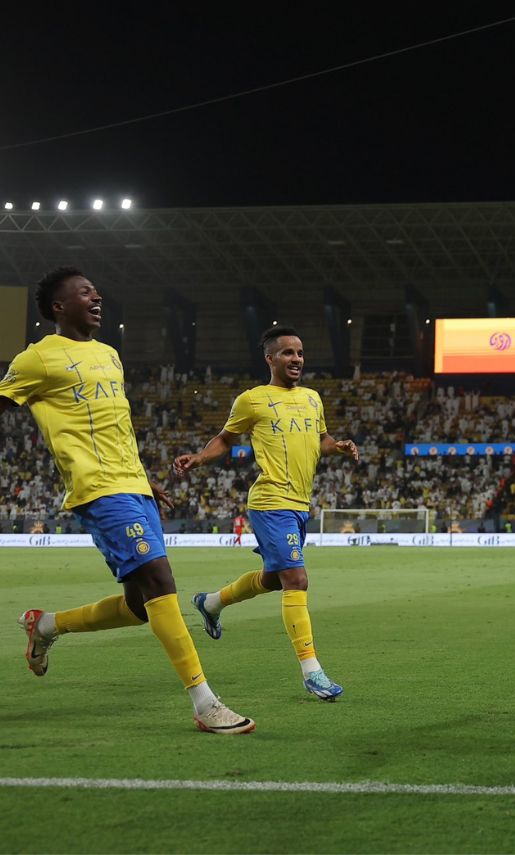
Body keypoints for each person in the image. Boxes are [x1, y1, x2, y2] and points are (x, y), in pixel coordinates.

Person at [1, 267, 254, 734]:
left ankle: (46, 625)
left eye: (96, 291)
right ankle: (205, 703)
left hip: (133, 485)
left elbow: (115, 425)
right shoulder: (37, 358)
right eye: (84, 292)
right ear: (59, 306)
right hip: (98, 489)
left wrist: (144, 479)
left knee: (140, 607)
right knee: (161, 581)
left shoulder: (109, 355)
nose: (96, 296)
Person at [175, 326, 360, 702]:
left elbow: (320, 440)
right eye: (288, 353)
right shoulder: (252, 400)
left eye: (300, 353)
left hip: (299, 505)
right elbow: (225, 439)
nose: (297, 359)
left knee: (275, 579)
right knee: (297, 579)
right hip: (270, 501)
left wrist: (337, 446)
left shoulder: (312, 399)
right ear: (270, 358)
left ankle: (210, 603)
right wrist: (199, 457)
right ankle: (312, 671)